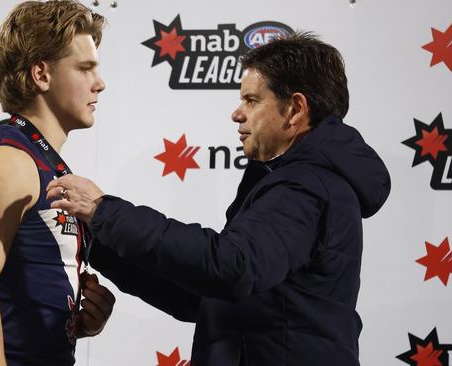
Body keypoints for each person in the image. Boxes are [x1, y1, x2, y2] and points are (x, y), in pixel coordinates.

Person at [46, 32, 391, 366]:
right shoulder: (296, 181)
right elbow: (204, 297)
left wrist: (105, 212)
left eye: (252, 100)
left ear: (295, 110)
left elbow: (230, 267)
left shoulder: (307, 186)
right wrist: (98, 242)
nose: (237, 113)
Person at [0, 1, 115, 365]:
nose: (100, 83)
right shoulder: (8, 163)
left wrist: (74, 324)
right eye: (85, 68)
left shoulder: (39, 162)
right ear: (41, 74)